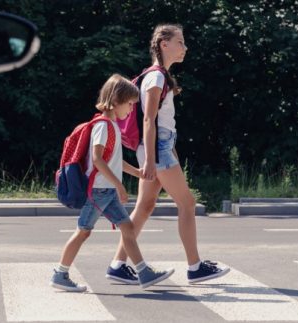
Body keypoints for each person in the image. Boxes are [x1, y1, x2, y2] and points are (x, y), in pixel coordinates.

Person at [106, 24, 230, 285]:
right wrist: (152, 160)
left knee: (145, 206)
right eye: (180, 42)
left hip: (159, 147)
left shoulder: (159, 77)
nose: (185, 47)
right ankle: (195, 266)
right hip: (156, 149)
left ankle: (117, 265)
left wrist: (164, 152)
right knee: (187, 203)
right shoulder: (156, 77)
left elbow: (160, 124)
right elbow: (149, 120)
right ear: (164, 44)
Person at [50, 74, 175, 292]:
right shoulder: (103, 126)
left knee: (127, 227)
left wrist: (137, 172)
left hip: (105, 190)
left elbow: (114, 160)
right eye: (129, 104)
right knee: (83, 232)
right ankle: (60, 273)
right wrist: (119, 185)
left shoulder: (112, 126)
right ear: (116, 101)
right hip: (99, 190)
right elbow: (98, 159)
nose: (131, 110)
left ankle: (144, 273)